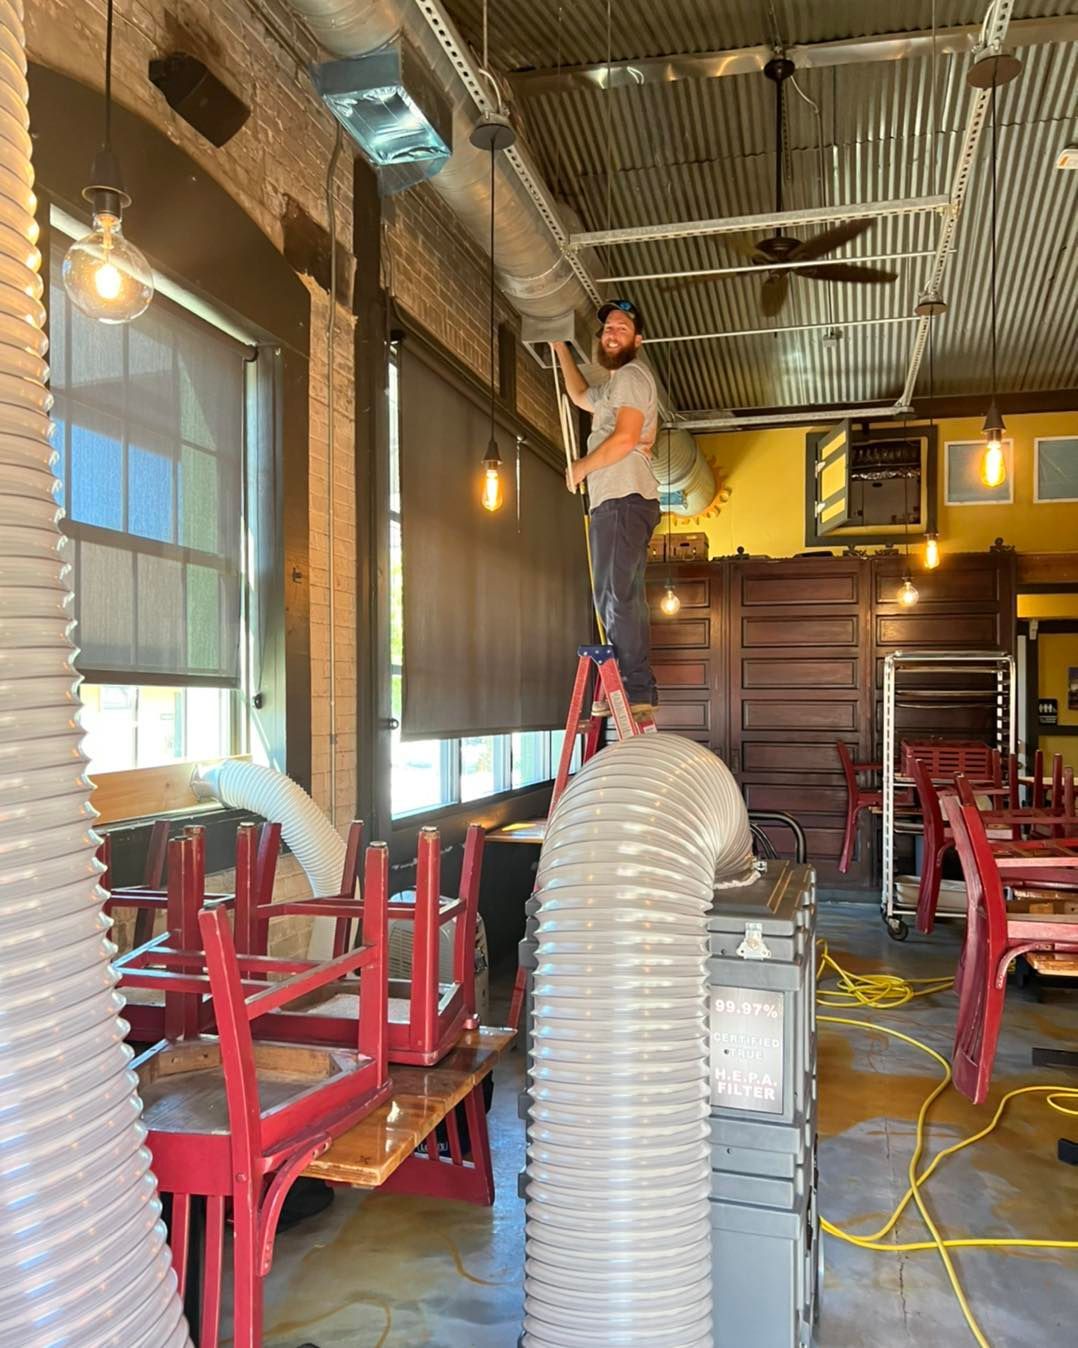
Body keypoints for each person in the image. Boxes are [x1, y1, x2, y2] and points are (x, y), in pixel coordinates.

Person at [552, 298, 660, 715]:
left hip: (623, 496)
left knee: (617, 594)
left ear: (638, 338)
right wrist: (560, 348)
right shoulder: (616, 386)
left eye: (620, 327)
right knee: (614, 595)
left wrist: (581, 466)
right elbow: (580, 396)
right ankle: (628, 684)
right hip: (617, 499)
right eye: (607, 329)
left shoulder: (632, 375)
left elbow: (625, 439)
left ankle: (634, 690)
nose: (611, 333)